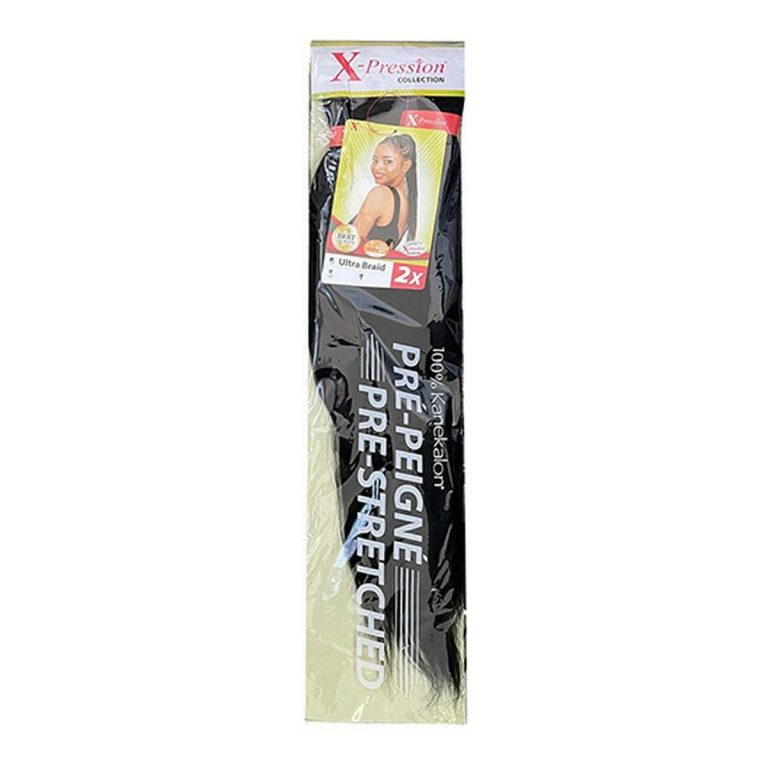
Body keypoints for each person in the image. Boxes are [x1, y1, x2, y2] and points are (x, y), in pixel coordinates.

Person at [350, 134, 418, 249]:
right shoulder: (407, 203)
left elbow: (350, 244)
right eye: (375, 160)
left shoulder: (380, 194)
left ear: (406, 166)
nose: (377, 167)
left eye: (388, 162)